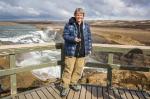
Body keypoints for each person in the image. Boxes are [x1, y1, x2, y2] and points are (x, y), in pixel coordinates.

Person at [60, 8, 92, 97]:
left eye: (81, 15)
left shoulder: (86, 26)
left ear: (83, 16)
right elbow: (65, 35)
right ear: (75, 15)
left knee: (78, 70)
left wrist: (89, 49)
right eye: (77, 15)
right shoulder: (69, 24)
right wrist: (73, 39)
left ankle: (73, 83)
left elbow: (89, 38)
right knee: (68, 70)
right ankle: (65, 86)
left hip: (82, 52)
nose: (79, 16)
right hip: (71, 52)